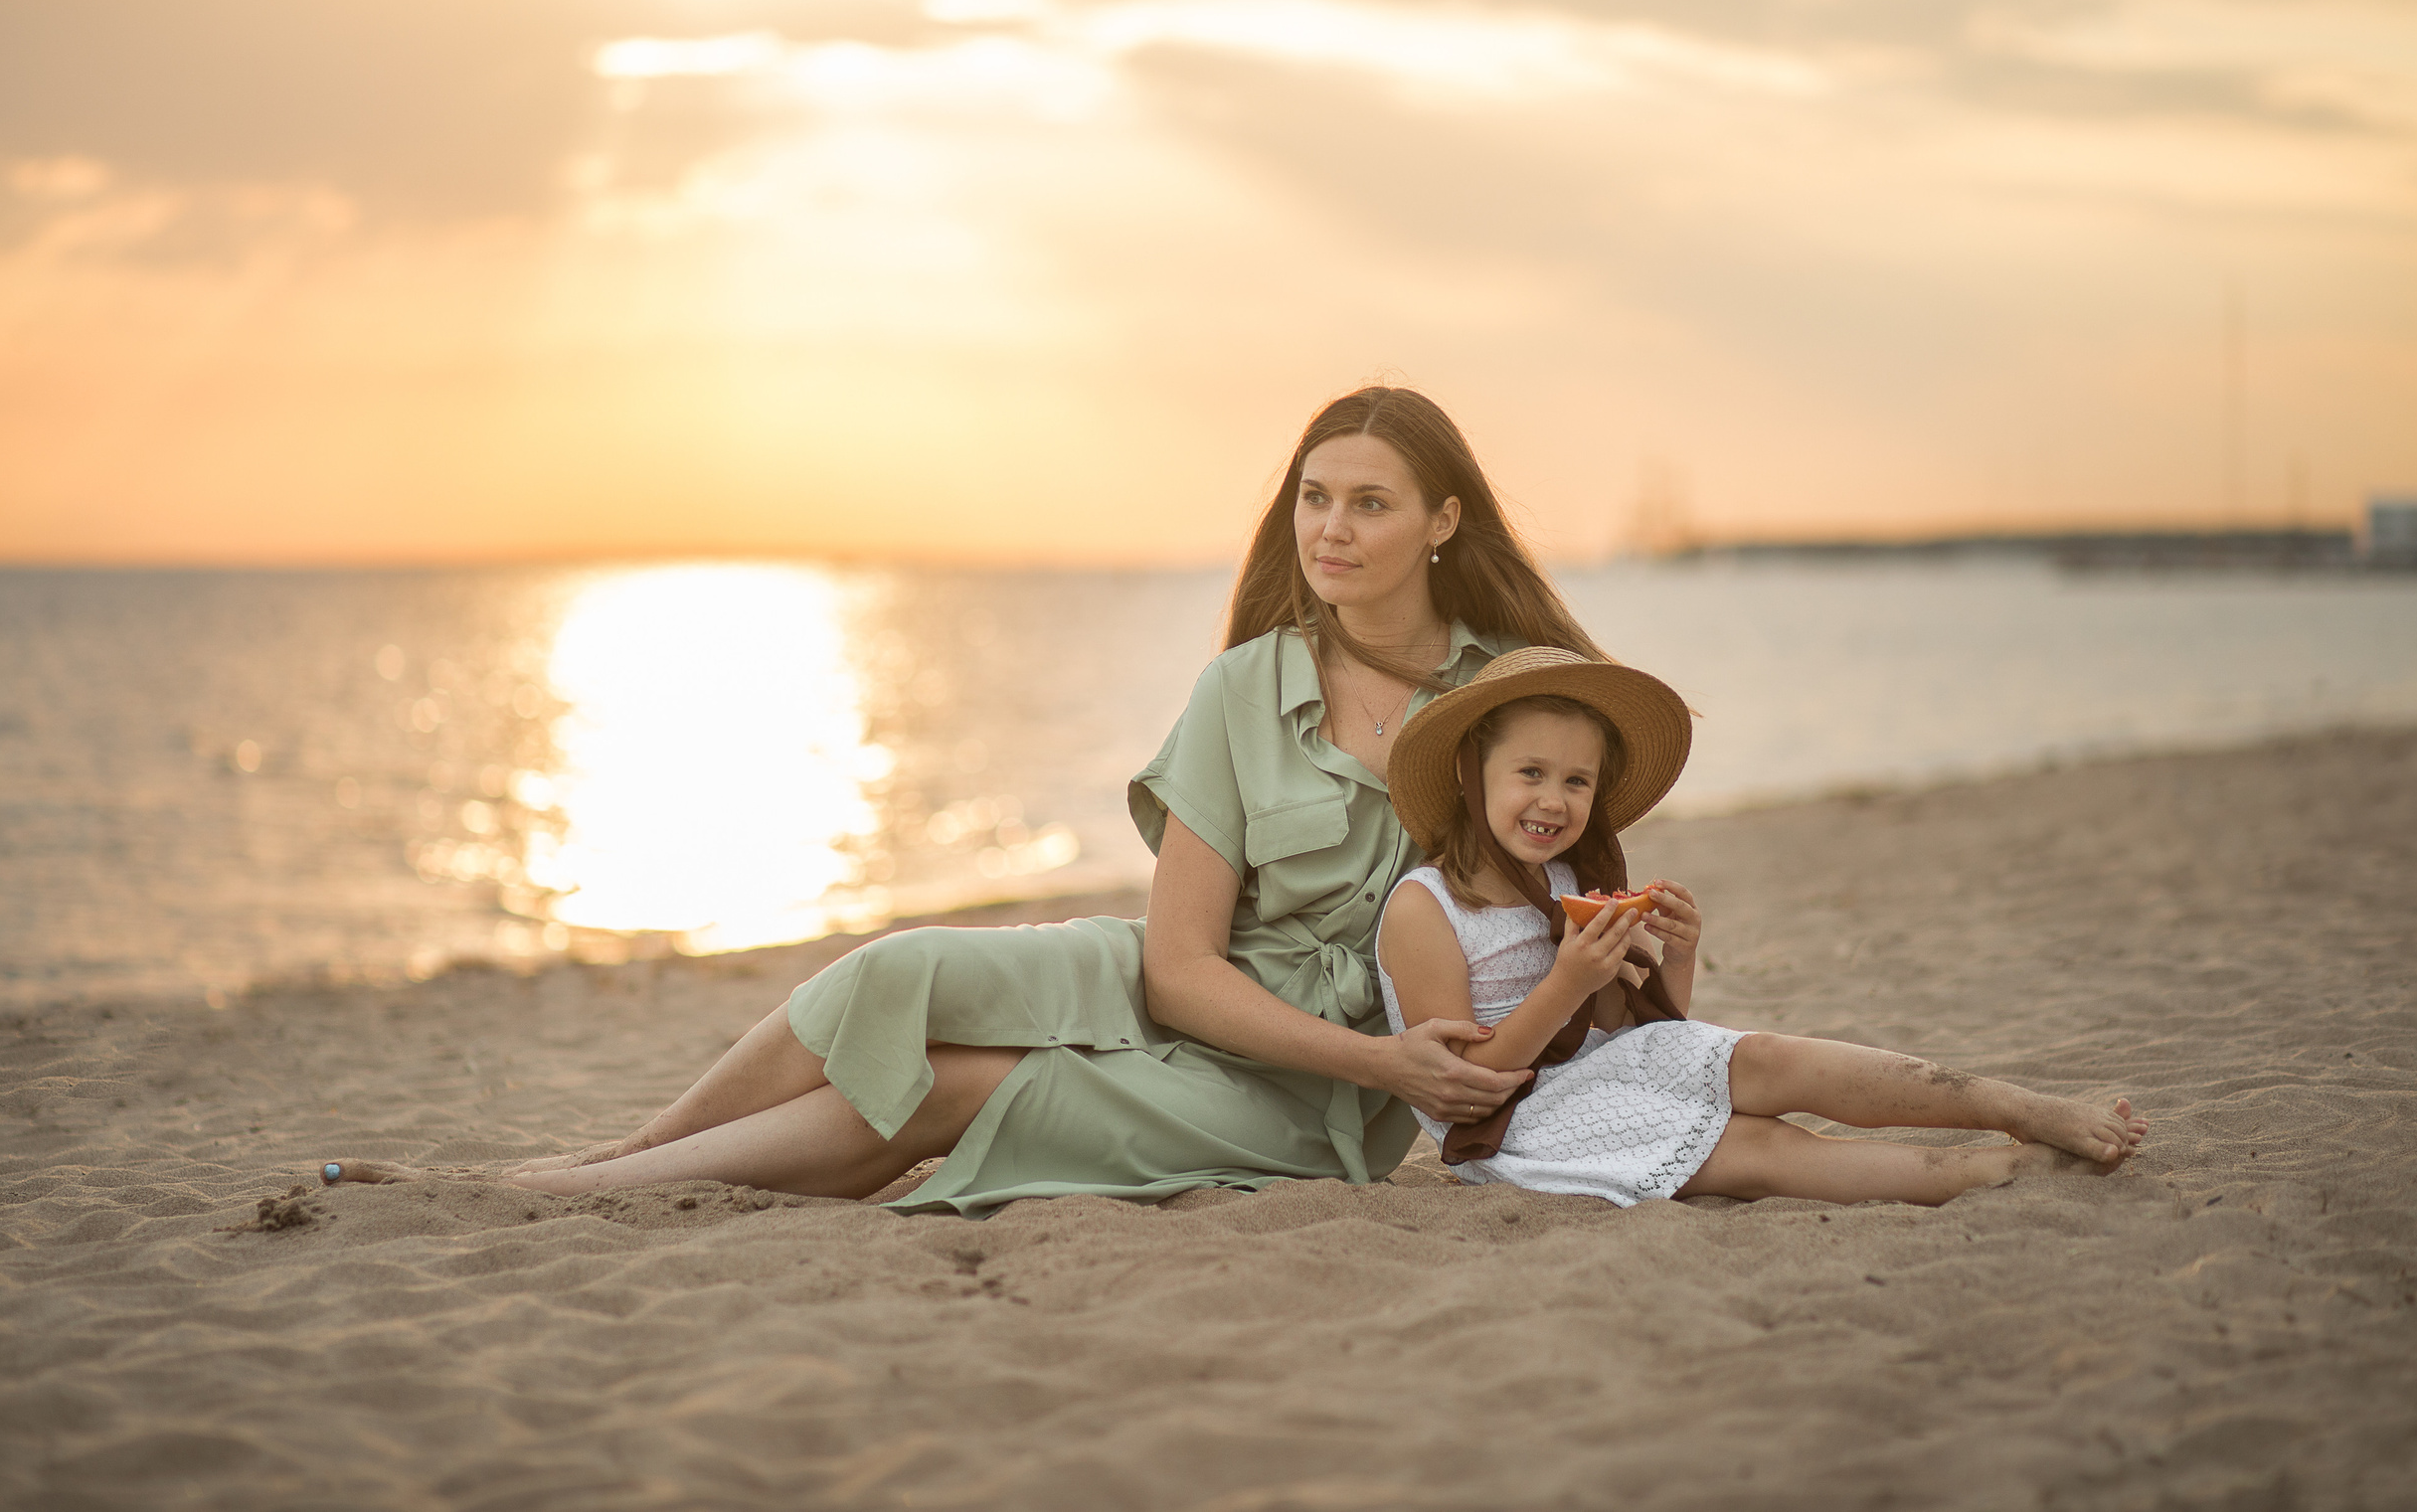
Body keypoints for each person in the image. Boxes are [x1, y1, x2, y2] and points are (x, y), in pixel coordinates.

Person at [326, 384, 1608, 1216]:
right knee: (897, 974)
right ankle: (605, 1166)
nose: (1330, 529)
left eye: (1369, 504)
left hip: (1320, 1090)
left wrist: (1399, 1057)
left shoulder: (1514, 699)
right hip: (1206, 985)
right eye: (1313, 498)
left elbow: (1566, 907)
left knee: (953, 1087)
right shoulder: (1243, 683)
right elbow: (1178, 968)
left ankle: (563, 1197)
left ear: (1442, 520)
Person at [1373, 647, 2148, 1207]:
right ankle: (1992, 1172)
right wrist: (1569, 979)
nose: (1554, 800)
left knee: (1772, 1058)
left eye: (1577, 780)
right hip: (1519, 1125)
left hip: (1605, 1068)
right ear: (1470, 774)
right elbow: (1464, 1093)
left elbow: (1621, 1028)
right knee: (1761, 1147)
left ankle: (2016, 1107)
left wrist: (1676, 957)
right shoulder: (1425, 909)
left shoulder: (1564, 880)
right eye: (1530, 773)